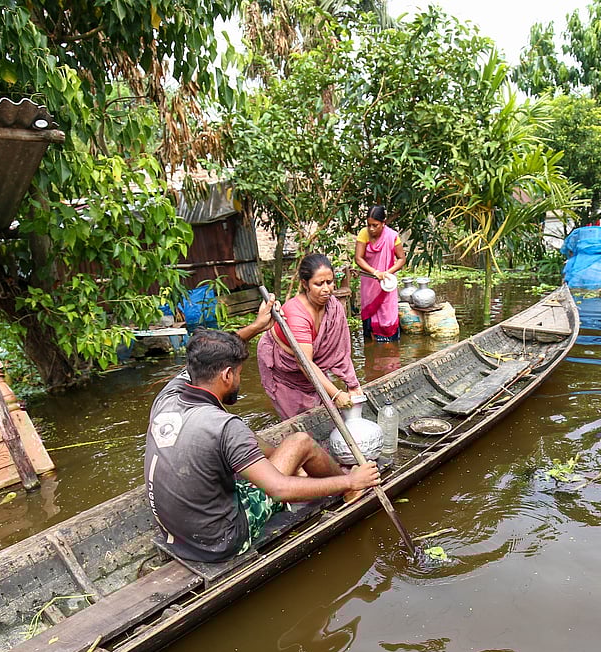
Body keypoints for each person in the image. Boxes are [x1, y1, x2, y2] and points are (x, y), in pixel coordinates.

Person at [145, 307, 380, 564]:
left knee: (260, 446)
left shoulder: (169, 395)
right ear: (226, 375)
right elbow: (278, 490)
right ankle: (348, 489)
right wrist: (352, 481)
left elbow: (212, 351)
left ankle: (301, 470)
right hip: (222, 541)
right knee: (300, 442)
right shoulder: (224, 425)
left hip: (178, 536)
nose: (239, 380)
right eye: (239, 374)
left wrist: (257, 327)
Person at [258, 253, 362, 419]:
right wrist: (336, 395)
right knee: (297, 421)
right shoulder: (296, 315)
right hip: (287, 370)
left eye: (330, 282)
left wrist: (352, 383)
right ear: (305, 284)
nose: (327, 289)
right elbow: (304, 362)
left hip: (310, 365)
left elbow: (341, 350)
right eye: (319, 284)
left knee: (325, 412)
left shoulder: (333, 306)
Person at [355, 205, 406, 341]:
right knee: (370, 317)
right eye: (369, 225)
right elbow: (358, 258)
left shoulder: (392, 236)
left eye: (375, 225)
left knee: (388, 315)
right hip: (370, 284)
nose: (371, 229)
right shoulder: (363, 234)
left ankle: (391, 346)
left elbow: (402, 259)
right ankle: (371, 346)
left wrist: (387, 273)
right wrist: (375, 272)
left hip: (386, 284)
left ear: (383, 223)